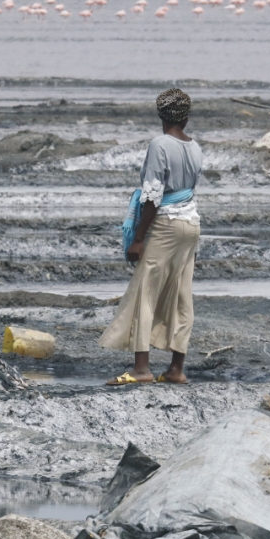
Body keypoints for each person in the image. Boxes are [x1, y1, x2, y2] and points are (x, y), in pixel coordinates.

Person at [100, 88, 203, 385]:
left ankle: (142, 369)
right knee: (182, 296)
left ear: (161, 115)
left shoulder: (160, 144)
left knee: (145, 292)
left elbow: (153, 195)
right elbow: (189, 191)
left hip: (167, 224)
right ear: (186, 116)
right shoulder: (195, 147)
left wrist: (138, 239)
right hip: (191, 224)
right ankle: (175, 369)